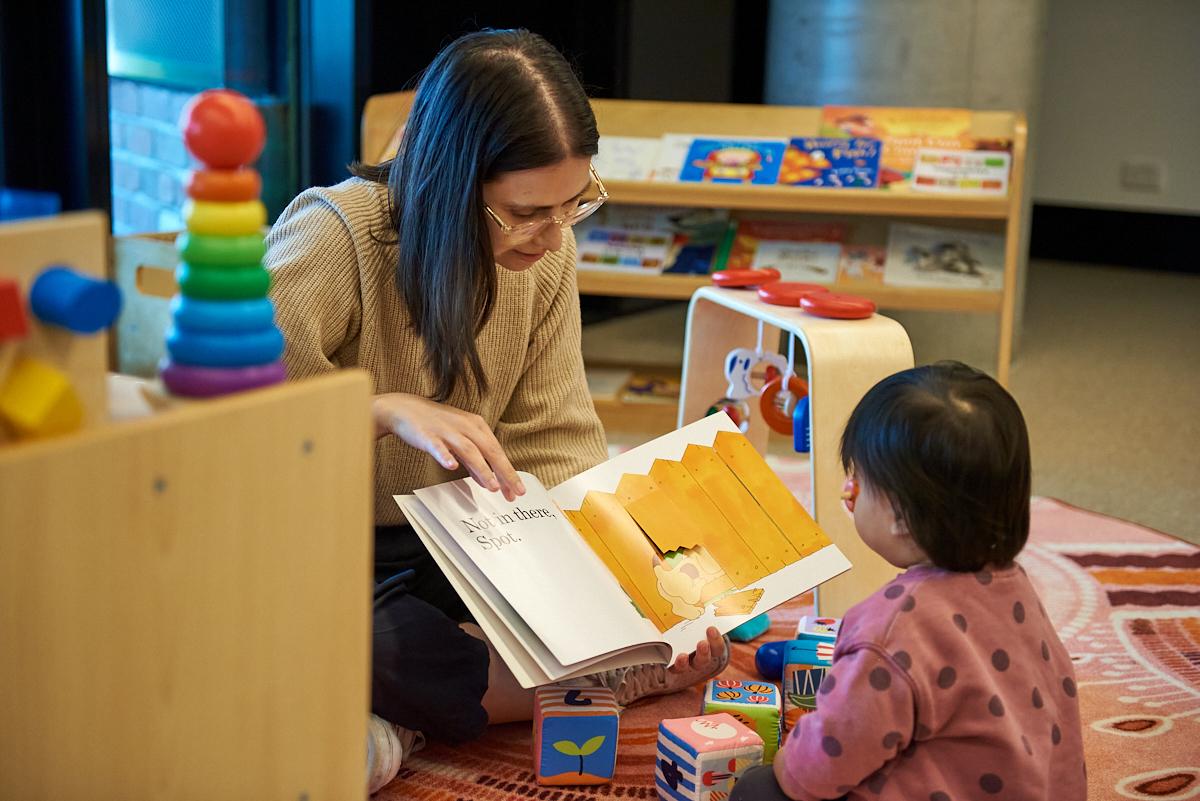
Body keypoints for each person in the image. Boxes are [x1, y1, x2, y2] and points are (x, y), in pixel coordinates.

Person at [263, 28, 729, 795]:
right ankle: (576, 682)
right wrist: (382, 410)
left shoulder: (545, 255)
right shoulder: (333, 235)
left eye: (575, 203)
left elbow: (557, 439)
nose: (552, 235)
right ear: (450, 182)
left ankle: (553, 671)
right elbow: (238, 434)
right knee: (351, 643)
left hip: (457, 540)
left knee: (604, 598)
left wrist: (612, 565)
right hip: (320, 547)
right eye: (526, 211)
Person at [731, 361, 1085, 801]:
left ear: (899, 516)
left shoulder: (891, 628)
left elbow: (817, 769)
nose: (848, 492)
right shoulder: (1019, 590)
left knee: (759, 788)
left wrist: (784, 762)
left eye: (856, 482)